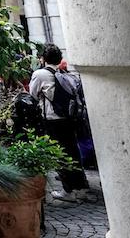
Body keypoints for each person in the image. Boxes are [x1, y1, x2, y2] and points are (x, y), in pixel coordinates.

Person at [29, 44, 90, 201]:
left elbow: (33, 95)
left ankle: (68, 191)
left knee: (59, 153)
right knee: (73, 152)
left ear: (43, 58)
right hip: (69, 119)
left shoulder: (40, 74)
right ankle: (81, 188)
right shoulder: (64, 73)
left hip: (52, 119)